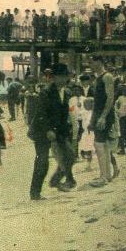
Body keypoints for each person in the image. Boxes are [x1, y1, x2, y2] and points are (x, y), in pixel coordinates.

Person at [28, 63, 75, 199]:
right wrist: (48, 130)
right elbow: (41, 113)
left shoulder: (67, 92)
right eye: (58, 77)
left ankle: (55, 180)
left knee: (70, 156)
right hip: (41, 131)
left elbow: (63, 115)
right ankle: (35, 192)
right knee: (42, 161)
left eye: (64, 76)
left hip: (58, 130)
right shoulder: (46, 92)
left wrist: (65, 132)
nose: (61, 79)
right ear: (53, 78)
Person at [88, 55, 116, 187]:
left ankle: (103, 176)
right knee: (103, 145)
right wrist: (93, 119)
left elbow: (110, 98)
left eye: (92, 62)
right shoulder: (98, 78)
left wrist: (103, 117)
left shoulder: (107, 76)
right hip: (99, 114)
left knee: (99, 145)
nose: (90, 65)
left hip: (105, 115)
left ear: (99, 62)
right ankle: (107, 175)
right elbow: (97, 102)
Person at [80, 97, 95, 170]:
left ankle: (89, 165)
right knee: (87, 149)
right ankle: (88, 165)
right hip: (86, 133)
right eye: (84, 104)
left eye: (87, 104)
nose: (85, 105)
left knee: (90, 149)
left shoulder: (94, 113)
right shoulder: (84, 112)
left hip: (92, 133)